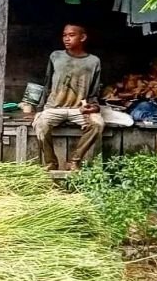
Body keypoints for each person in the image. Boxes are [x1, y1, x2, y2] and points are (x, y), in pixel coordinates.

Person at [32, 23, 104, 171]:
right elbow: (47, 84)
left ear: (82, 37)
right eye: (64, 35)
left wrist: (94, 106)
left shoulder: (93, 61)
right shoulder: (56, 56)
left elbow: (94, 92)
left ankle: (74, 160)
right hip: (54, 107)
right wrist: (39, 109)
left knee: (98, 124)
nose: (66, 39)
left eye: (71, 35)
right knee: (40, 125)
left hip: (79, 109)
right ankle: (51, 162)